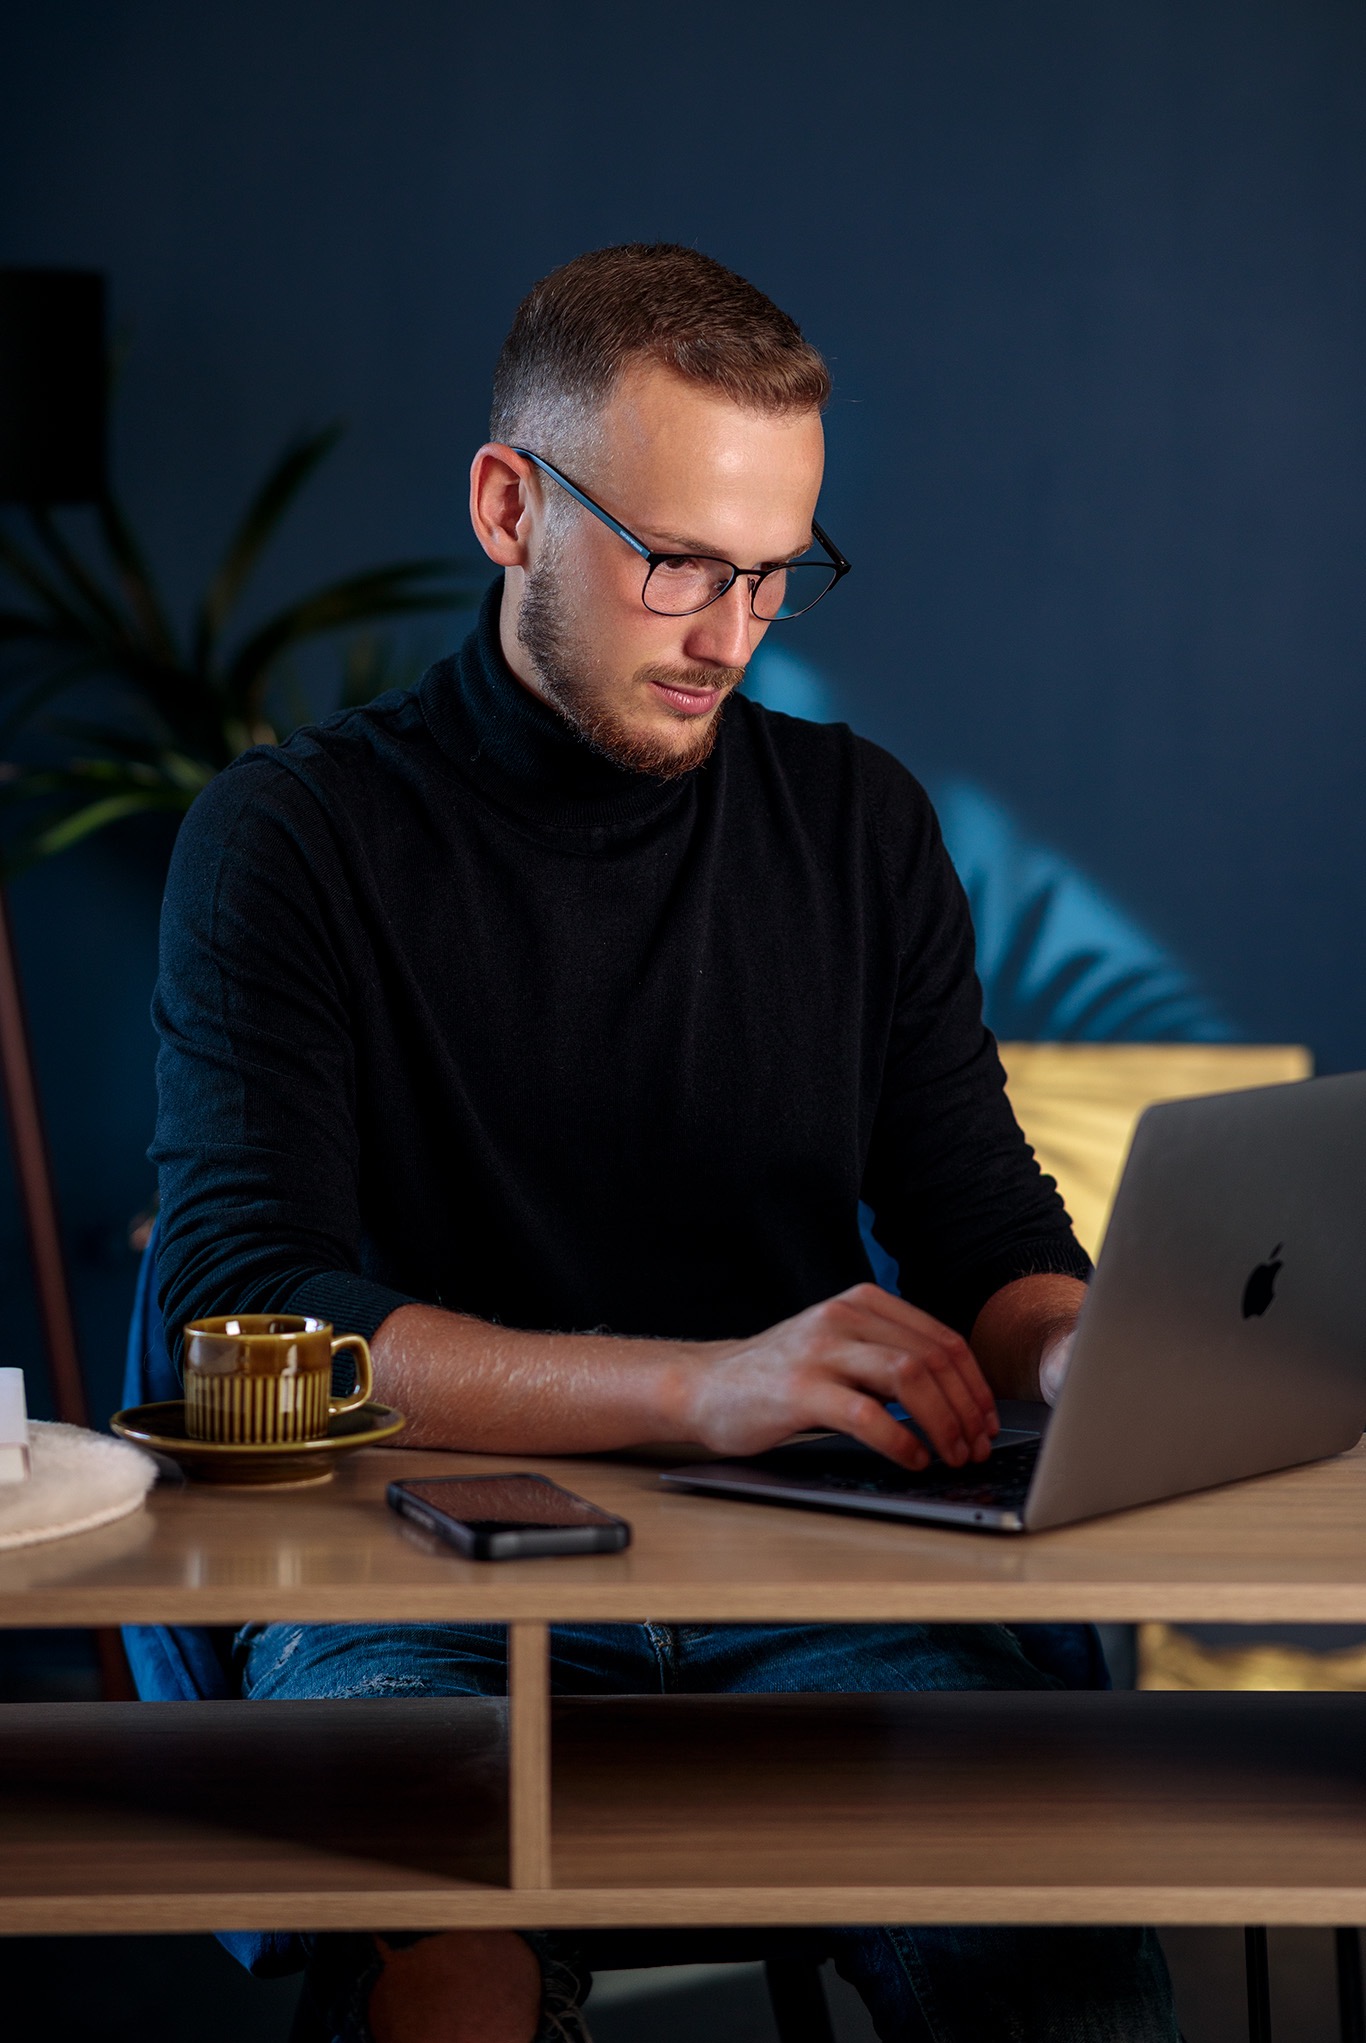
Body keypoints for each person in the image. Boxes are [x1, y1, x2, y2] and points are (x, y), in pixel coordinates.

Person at [151, 243, 1177, 2042]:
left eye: (777, 574)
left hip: (812, 1572)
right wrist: (704, 1384)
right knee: (444, 1970)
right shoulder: (287, 841)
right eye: (681, 564)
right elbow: (247, 1299)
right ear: (506, 506)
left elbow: (977, 1219)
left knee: (1055, 1944)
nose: (730, 636)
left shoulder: (857, 824)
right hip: (410, 1570)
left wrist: (1090, 1351)